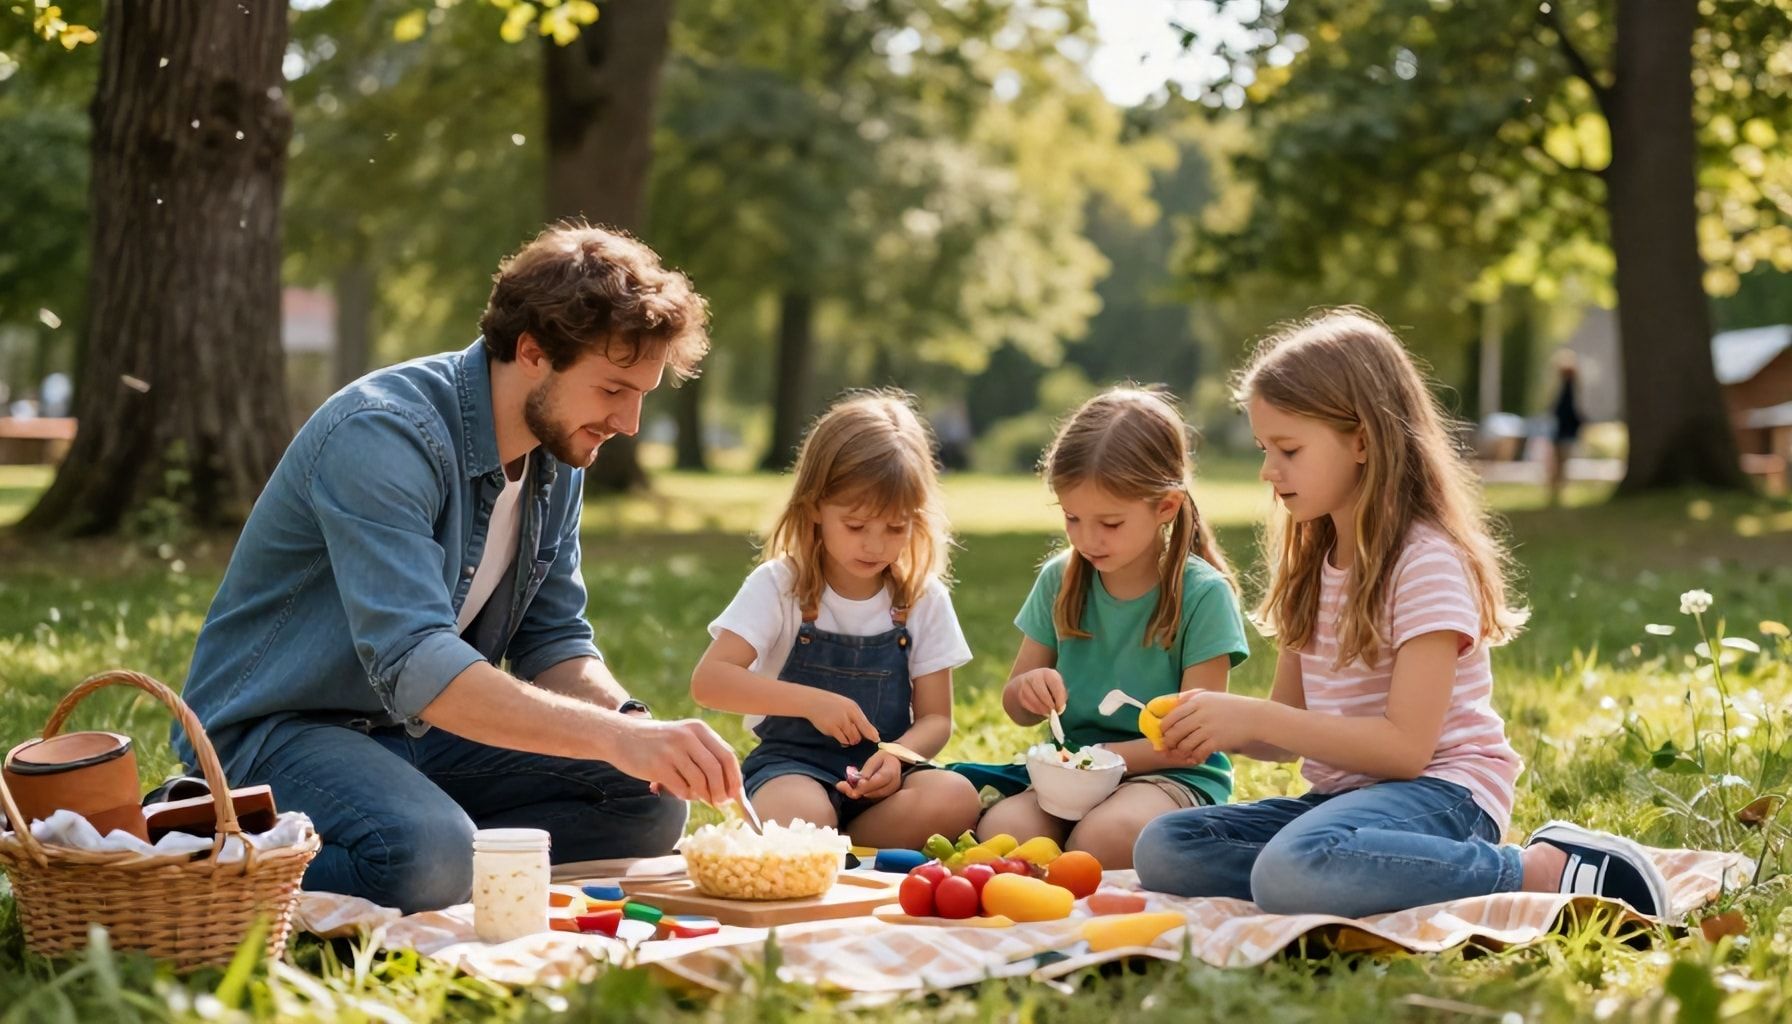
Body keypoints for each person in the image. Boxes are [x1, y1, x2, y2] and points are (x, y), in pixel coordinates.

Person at [175, 223, 743, 913]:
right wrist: (620, 738)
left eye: (642, 395)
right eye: (613, 390)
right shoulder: (382, 433)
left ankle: (427, 849)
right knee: (434, 858)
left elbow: (555, 642)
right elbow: (418, 663)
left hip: (406, 735)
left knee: (645, 806)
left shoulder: (556, 452)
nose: (628, 422)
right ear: (533, 352)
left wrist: (640, 730)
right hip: (272, 733)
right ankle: (183, 851)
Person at [1132, 308, 1670, 918]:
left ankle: (1543, 869)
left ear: (1362, 439)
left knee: (1293, 869)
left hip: (1443, 794)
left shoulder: (1425, 562)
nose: (1267, 470)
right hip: (1349, 800)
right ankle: (1350, 868)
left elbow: (1405, 750)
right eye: (1264, 448)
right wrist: (1217, 728)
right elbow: (1288, 729)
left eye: (1288, 448)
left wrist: (1255, 716)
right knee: (1167, 847)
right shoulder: (1313, 562)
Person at [959, 388, 1250, 869]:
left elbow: (1191, 743)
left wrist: (1100, 759)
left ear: (1166, 507)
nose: (1087, 538)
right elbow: (1016, 707)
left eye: (1110, 523)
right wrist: (1027, 690)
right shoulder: (1061, 578)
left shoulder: (1202, 595)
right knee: (1004, 834)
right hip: (1067, 775)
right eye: (1072, 517)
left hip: (1167, 775)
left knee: (1104, 840)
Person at [690, 391, 982, 848]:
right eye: (855, 525)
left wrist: (898, 757)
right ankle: (823, 840)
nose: (875, 545)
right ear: (814, 510)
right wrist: (812, 702)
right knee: (799, 813)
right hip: (791, 769)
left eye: (895, 527)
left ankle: (836, 846)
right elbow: (710, 681)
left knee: (955, 797)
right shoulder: (780, 585)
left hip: (882, 776)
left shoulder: (922, 597)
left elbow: (936, 719)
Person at [1547, 350, 1583, 507]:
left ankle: (1558, 488)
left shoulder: (1569, 390)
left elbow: (1564, 411)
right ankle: (1557, 489)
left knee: (1561, 461)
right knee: (1560, 461)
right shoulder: (1568, 389)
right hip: (1563, 430)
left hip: (1564, 430)